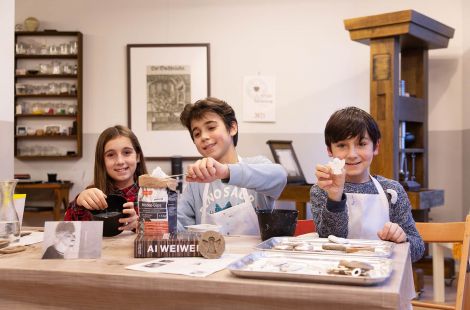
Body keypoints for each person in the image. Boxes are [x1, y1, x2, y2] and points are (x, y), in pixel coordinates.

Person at [310, 106, 424, 263]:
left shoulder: (392, 191)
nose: (352, 154)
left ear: (375, 147)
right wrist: (335, 196)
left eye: (361, 144)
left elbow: (418, 249)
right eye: (342, 145)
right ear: (330, 150)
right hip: (338, 276)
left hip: (385, 278)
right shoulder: (322, 190)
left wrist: (402, 239)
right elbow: (329, 243)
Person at [177, 97, 287, 236]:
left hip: (255, 256)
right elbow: (180, 227)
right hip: (210, 256)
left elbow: (280, 176)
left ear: (232, 128)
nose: (204, 137)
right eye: (197, 134)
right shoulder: (195, 185)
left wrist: (225, 171)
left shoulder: (256, 164)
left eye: (211, 127)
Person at [64, 125, 148, 232]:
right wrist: (78, 203)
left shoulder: (154, 195)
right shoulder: (92, 195)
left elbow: (170, 233)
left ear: (137, 156)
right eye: (111, 155)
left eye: (126, 152)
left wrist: (140, 226)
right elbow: (67, 231)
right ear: (102, 161)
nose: (120, 161)